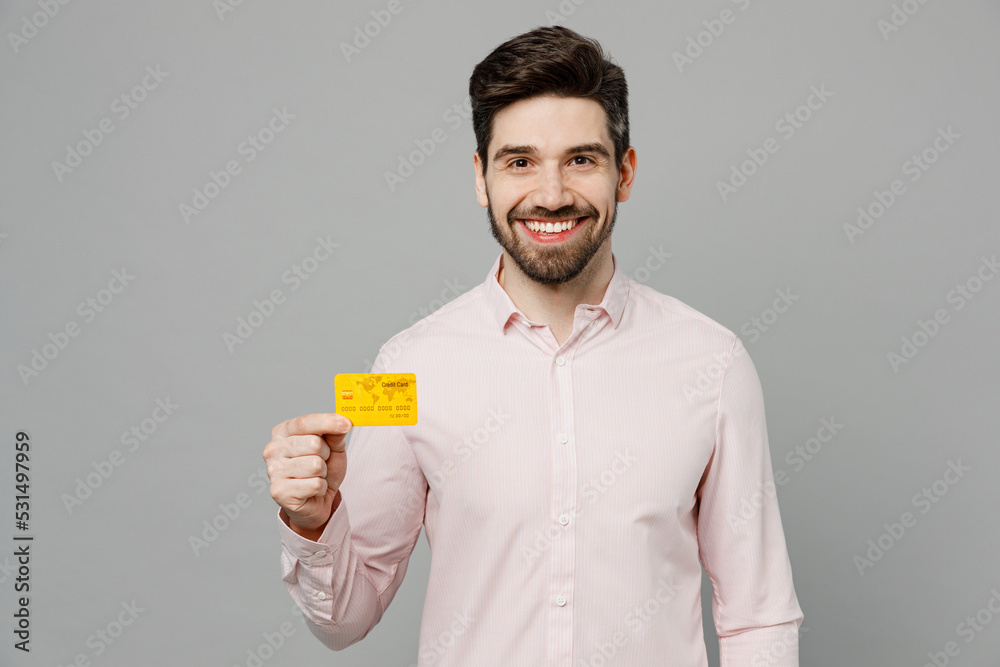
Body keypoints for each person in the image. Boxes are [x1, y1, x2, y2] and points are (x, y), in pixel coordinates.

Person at [263, 25, 804, 666]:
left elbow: (758, 617)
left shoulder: (713, 365)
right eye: (519, 162)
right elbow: (343, 622)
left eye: (581, 159)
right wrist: (312, 523)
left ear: (624, 172)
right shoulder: (406, 368)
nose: (550, 195)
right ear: (480, 178)